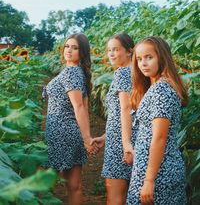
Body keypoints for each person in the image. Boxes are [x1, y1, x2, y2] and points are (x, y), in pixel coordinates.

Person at [126, 36, 188, 205]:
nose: (143, 63)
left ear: (162, 57)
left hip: (159, 173)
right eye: (139, 59)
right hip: (153, 168)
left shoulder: (161, 89)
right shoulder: (157, 86)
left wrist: (149, 181)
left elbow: (159, 137)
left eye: (149, 57)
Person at [43, 33, 98, 205]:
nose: (69, 50)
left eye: (75, 48)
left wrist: (87, 139)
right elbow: (85, 107)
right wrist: (85, 137)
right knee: (74, 185)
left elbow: (79, 107)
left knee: (45, 184)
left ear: (82, 53)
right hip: (69, 133)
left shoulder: (71, 73)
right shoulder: (78, 72)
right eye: (67, 46)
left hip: (61, 134)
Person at [94, 33, 136, 205]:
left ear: (129, 51)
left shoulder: (123, 73)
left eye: (116, 49)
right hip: (123, 137)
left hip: (121, 142)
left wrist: (125, 143)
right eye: (109, 50)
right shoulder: (133, 72)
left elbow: (126, 108)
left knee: (115, 195)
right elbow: (122, 113)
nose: (111, 54)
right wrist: (105, 137)